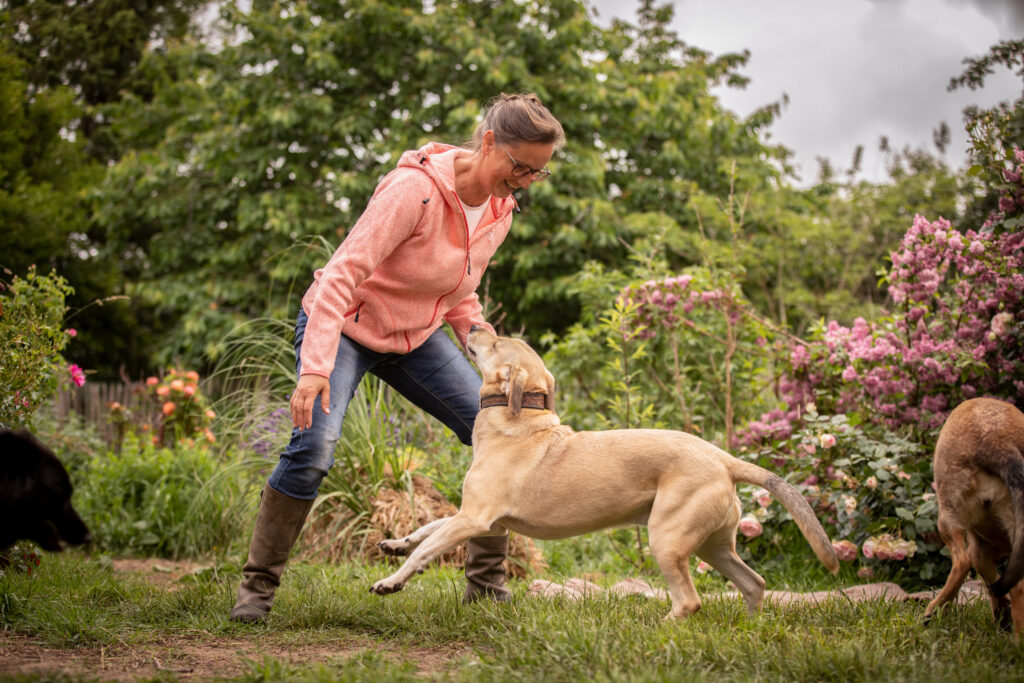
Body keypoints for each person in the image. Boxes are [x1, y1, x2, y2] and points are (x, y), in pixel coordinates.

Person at [229, 93, 566, 622]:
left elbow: (459, 289)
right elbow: (340, 275)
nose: (524, 180)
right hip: (345, 327)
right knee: (314, 448)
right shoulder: (416, 191)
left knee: (500, 425)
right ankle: (256, 589)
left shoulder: (501, 209)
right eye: (519, 166)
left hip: (415, 336)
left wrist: (485, 341)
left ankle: (487, 590)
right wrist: (315, 366)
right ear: (489, 142)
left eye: (537, 173)